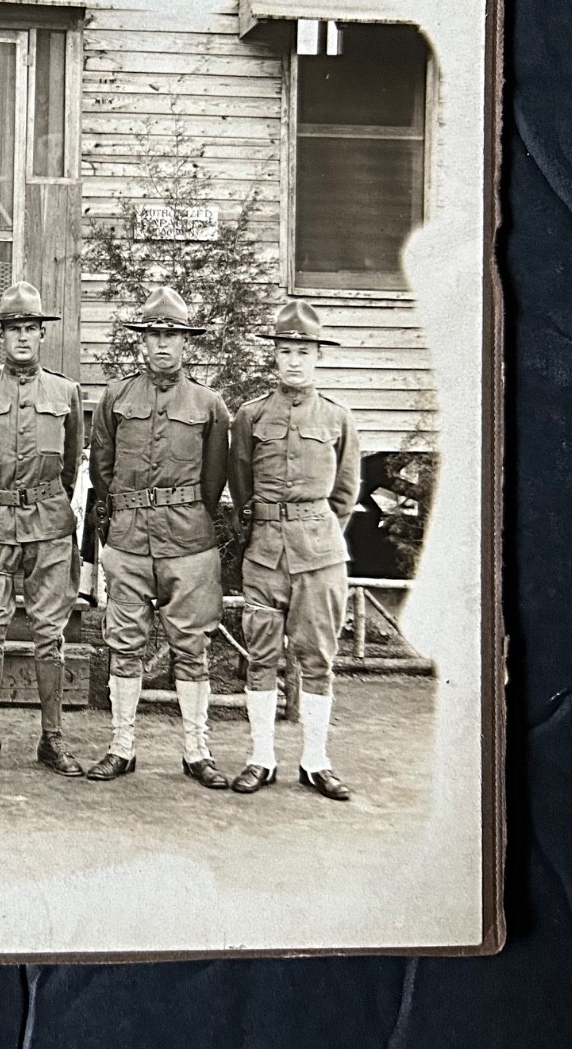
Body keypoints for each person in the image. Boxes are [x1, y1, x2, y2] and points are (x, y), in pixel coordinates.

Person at [87, 286, 231, 787]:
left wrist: (185, 514)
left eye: (171, 335)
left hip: (189, 544)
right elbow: (102, 470)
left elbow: (214, 481)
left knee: (191, 647)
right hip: (128, 542)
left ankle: (196, 751)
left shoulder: (209, 404)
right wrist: (120, 523)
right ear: (142, 342)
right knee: (124, 644)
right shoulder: (117, 398)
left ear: (186, 342)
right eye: (154, 334)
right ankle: (121, 746)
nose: (162, 344)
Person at [227, 300, 362, 801]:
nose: (295, 361)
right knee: (260, 656)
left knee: (318, 659)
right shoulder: (251, 416)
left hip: (320, 555)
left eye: (304, 352)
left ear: (317, 356)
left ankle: (315, 761)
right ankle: (261, 758)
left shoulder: (338, 418)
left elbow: (344, 495)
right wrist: (269, 528)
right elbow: (241, 487)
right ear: (275, 356)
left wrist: (314, 532)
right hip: (264, 555)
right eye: (286, 351)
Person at [0, 283, 85, 776]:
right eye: (14, 329)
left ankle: (53, 738)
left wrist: (46, 503)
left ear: (42, 335)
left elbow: (70, 464)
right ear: (1, 336)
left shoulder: (66, 393)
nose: (23, 337)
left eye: (31, 328)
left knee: (49, 633)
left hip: (49, 529)